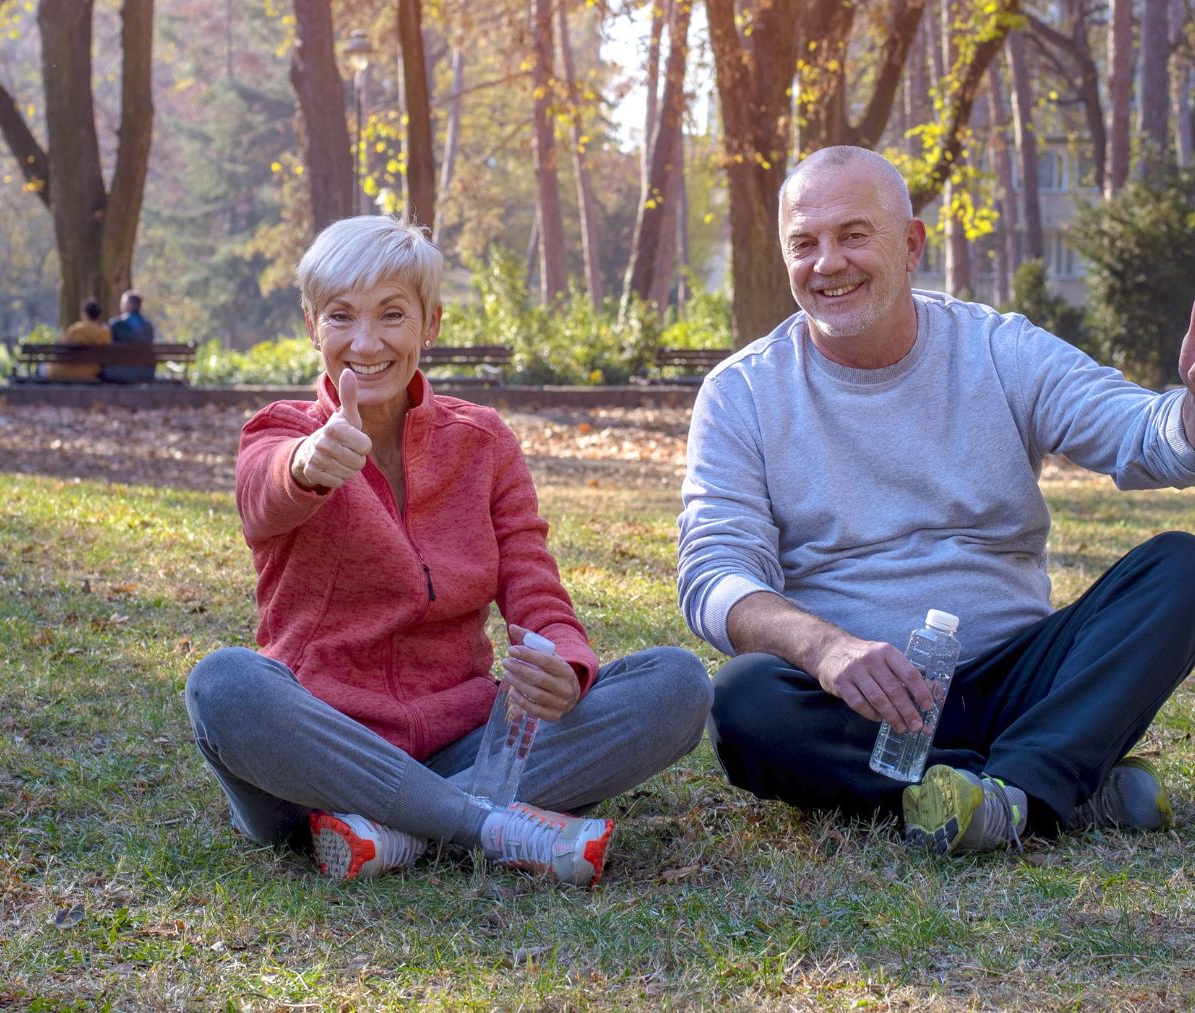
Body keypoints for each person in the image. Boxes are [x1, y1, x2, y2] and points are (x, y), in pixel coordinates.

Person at [677, 146, 1195, 857]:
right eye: (805, 243)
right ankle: (1054, 784)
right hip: (860, 708)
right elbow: (713, 574)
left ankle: (1002, 787)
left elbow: (1147, 436)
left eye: (854, 235)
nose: (828, 263)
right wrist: (827, 649)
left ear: (911, 243)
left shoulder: (998, 349)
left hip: (1019, 676)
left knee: (1184, 569)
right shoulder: (742, 393)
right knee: (742, 700)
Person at [185, 215, 711, 885]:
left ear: (429, 325)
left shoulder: (482, 441)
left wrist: (567, 665)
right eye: (341, 316)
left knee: (678, 683)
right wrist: (310, 464)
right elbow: (264, 495)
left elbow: (533, 585)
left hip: (464, 743)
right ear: (312, 324)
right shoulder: (281, 430)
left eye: (392, 314)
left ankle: (397, 831)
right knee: (223, 686)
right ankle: (485, 827)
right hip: (323, 756)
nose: (365, 341)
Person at [43, 298, 112, 382]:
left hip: (64, 372)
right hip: (89, 373)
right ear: (99, 315)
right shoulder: (105, 333)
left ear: (84, 314)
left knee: (43, 367)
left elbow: (63, 350)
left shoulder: (75, 330)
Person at [104, 291, 157, 383]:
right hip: (146, 372)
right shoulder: (149, 327)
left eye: (123, 303)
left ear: (128, 305)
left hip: (120, 371)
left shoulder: (116, 324)